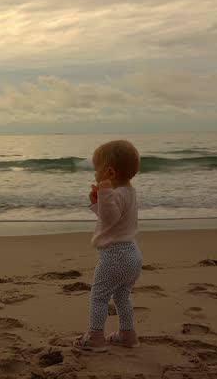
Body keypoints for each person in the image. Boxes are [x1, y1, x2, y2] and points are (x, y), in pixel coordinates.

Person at [73, 139, 142, 352]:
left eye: (96, 171)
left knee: (99, 297)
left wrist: (103, 194)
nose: (95, 175)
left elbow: (110, 219)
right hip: (131, 254)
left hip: (114, 256)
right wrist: (97, 202)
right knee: (122, 296)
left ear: (110, 172)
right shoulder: (129, 192)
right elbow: (111, 220)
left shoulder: (114, 193)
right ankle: (127, 334)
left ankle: (95, 336)